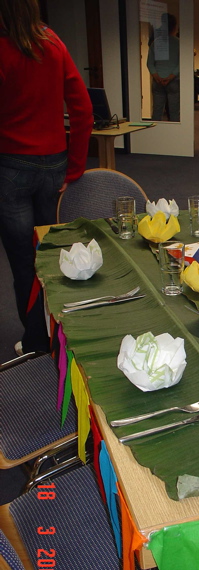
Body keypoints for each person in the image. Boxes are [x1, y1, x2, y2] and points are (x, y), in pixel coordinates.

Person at [0, 0, 92, 354]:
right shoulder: (53, 43)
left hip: (10, 169)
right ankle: (66, 337)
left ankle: (38, 342)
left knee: (25, 262)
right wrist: (75, 167)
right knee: (53, 255)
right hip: (53, 166)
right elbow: (82, 108)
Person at [147, 13, 180, 122]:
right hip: (174, 81)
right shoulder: (179, 43)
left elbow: (150, 63)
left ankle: (155, 136)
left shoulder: (155, 43)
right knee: (174, 112)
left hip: (158, 82)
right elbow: (181, 64)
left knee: (157, 111)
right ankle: (175, 137)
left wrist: (157, 77)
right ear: (175, 27)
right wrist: (170, 77)